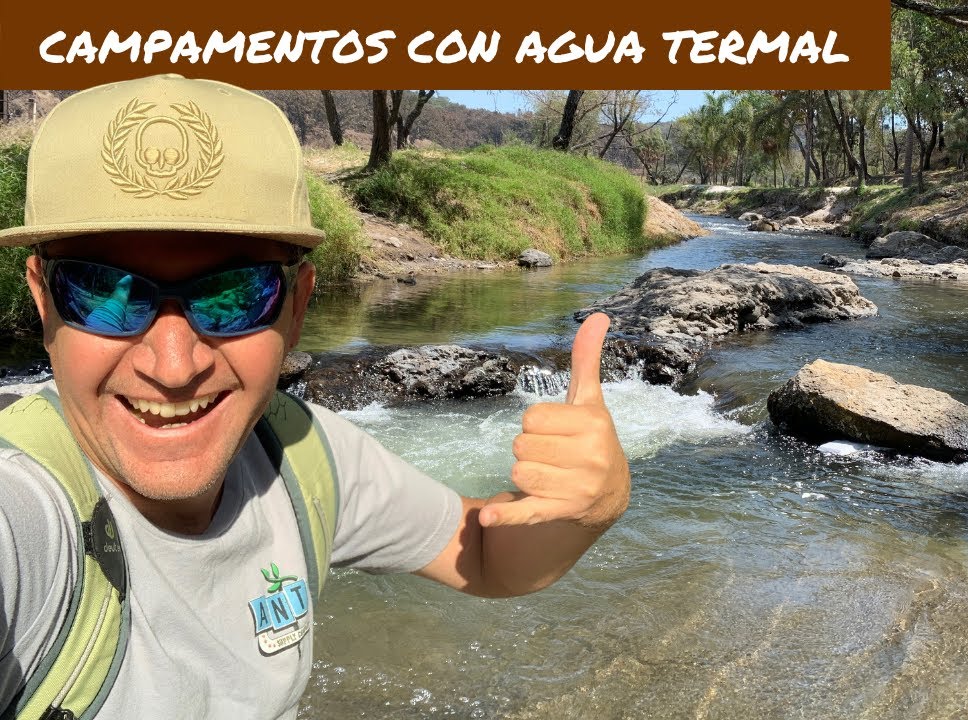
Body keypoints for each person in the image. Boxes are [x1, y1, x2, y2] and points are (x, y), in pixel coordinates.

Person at [0, 73, 630, 719]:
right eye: (103, 294)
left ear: (296, 307)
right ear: (44, 299)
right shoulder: (19, 513)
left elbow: (490, 559)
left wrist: (587, 507)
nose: (173, 365)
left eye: (235, 296)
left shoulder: (299, 451)